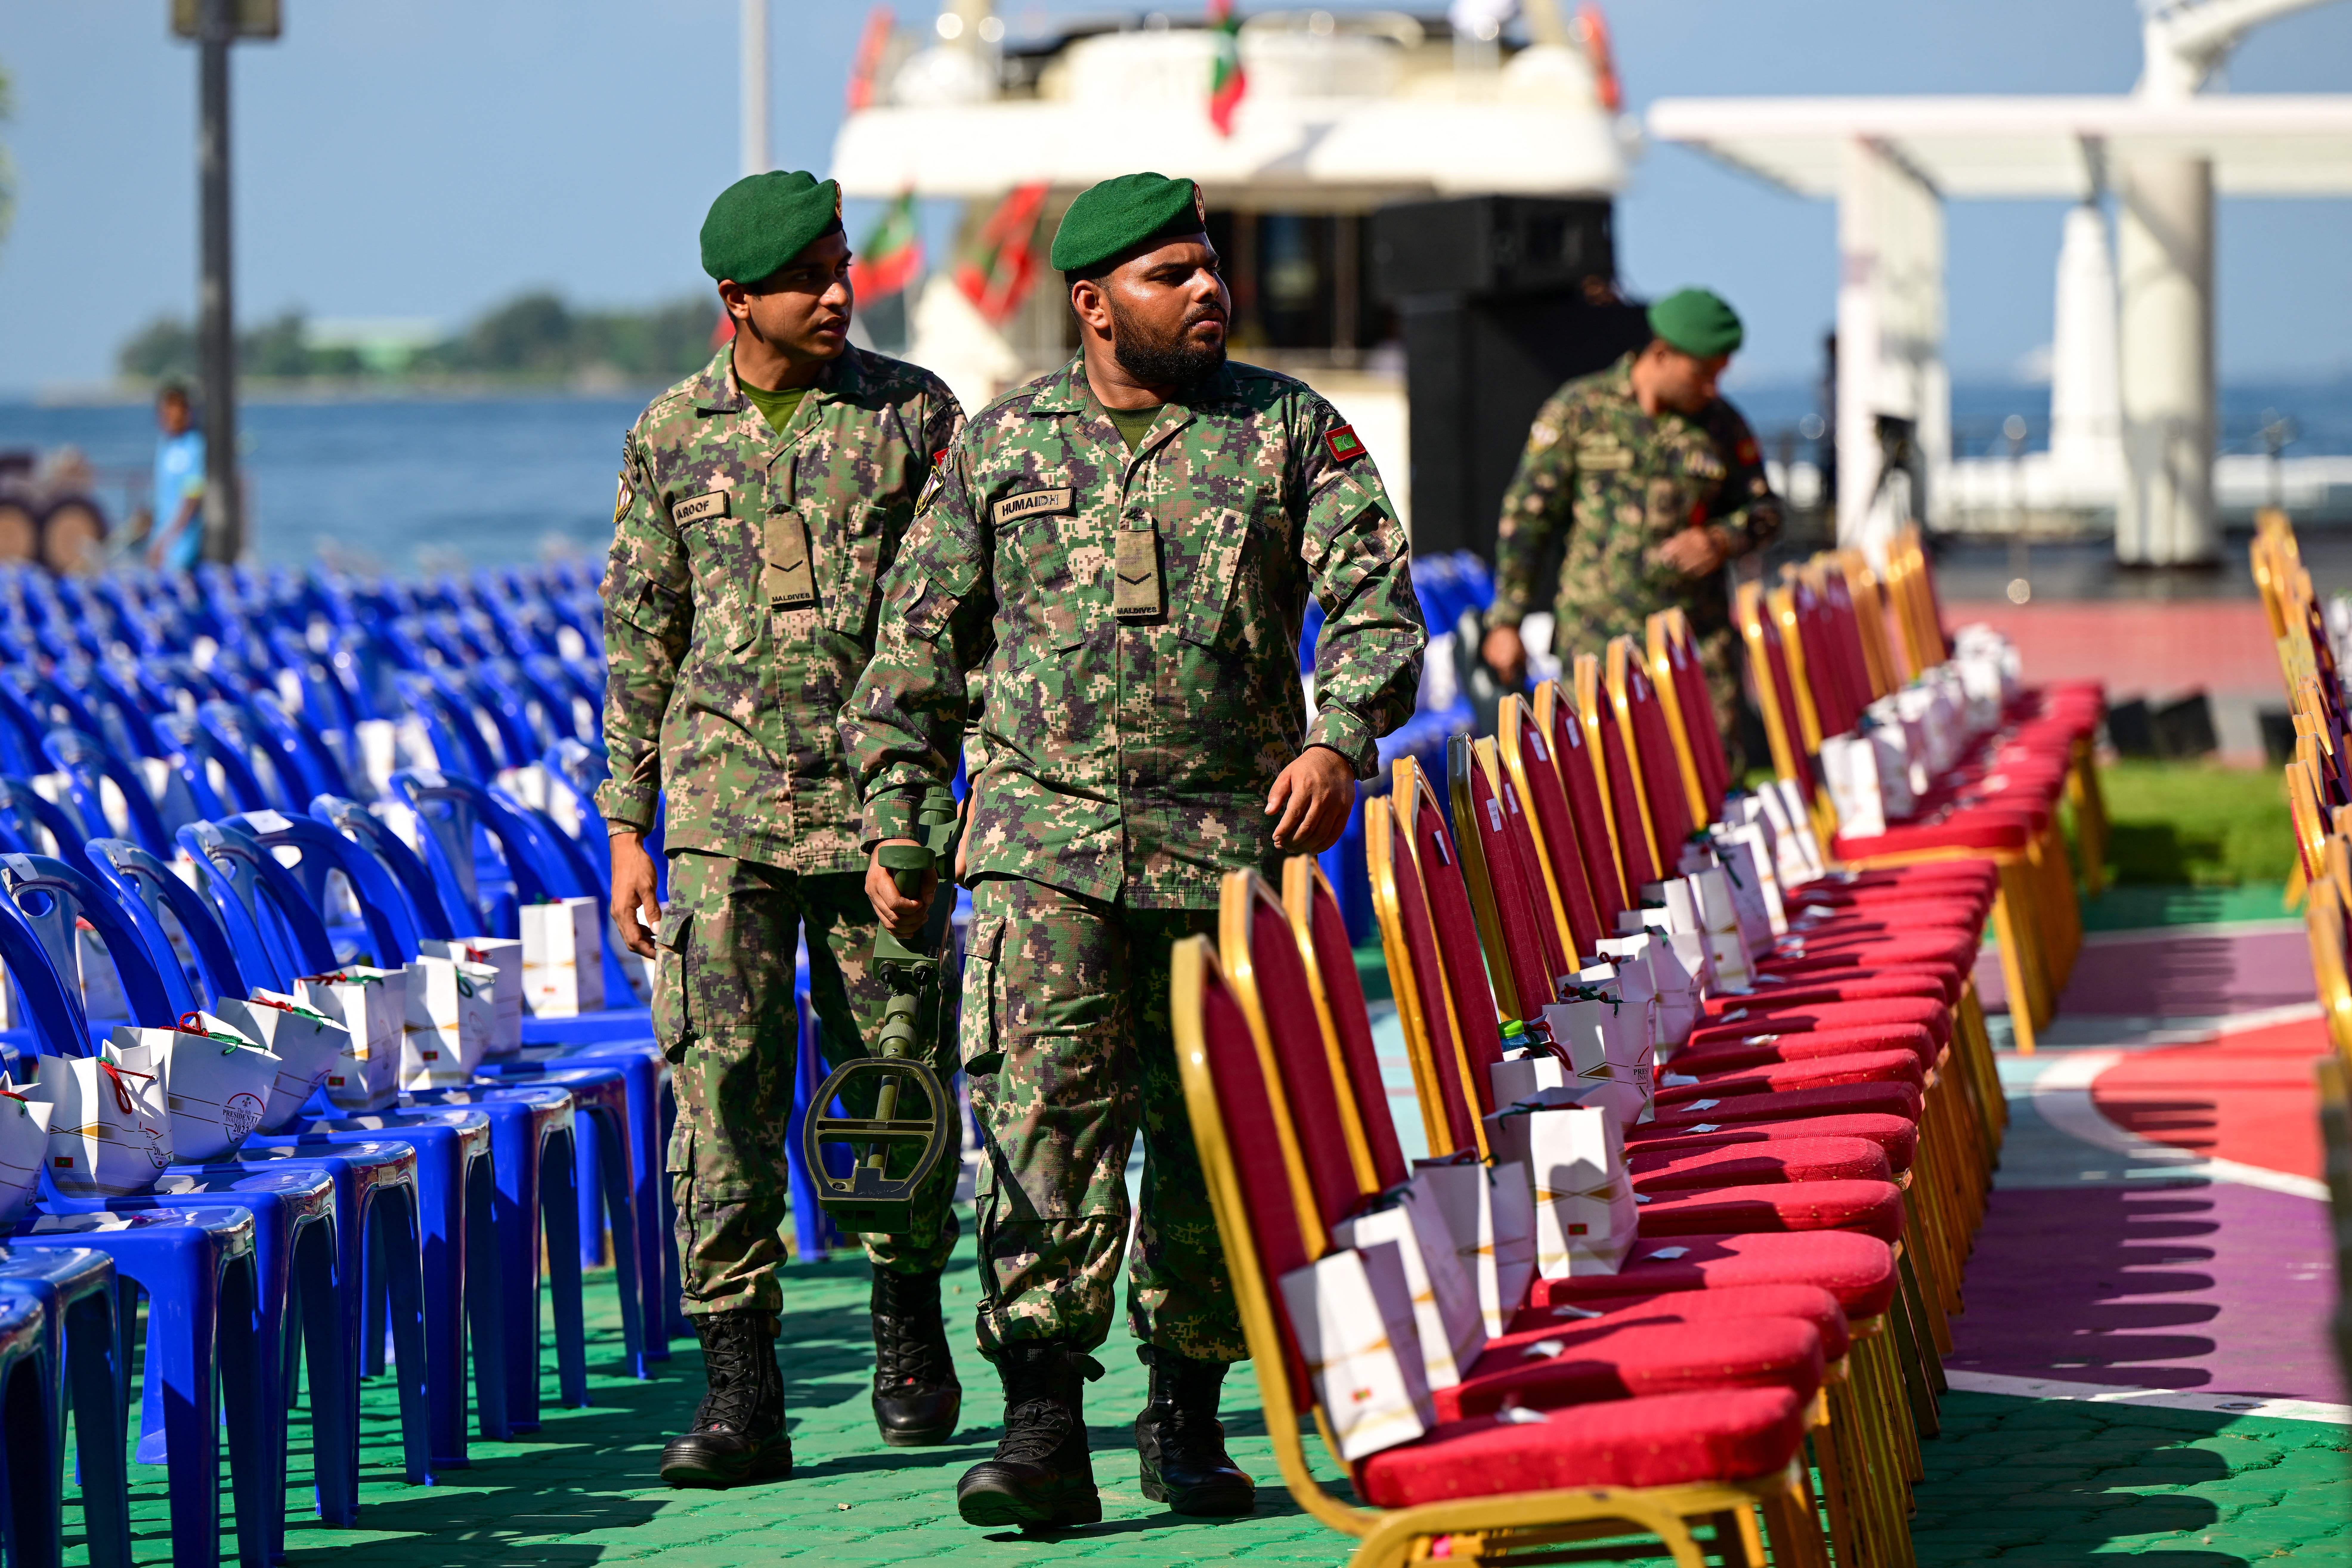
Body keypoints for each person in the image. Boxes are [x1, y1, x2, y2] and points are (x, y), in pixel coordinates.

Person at [842, 171, 1424, 1531]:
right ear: (1095, 305)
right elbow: (912, 649)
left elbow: (1377, 604)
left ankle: (1186, 1407)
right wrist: (899, 820)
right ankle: (1042, 1421)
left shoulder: (1288, 430)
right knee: (1039, 1126)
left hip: (1225, 848)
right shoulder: (1003, 446)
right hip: (1042, 851)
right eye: (1173, 274)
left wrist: (1337, 738)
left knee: (1212, 1136)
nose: (1209, 289)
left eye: (1209, 264)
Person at [598, 168, 965, 1489]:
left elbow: (959, 622)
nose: (834, 293)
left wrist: (926, 807)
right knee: (718, 1092)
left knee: (892, 1074)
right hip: (721, 812)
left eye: (839, 267)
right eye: (804, 278)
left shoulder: (914, 415)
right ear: (736, 299)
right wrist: (627, 821)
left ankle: (905, 1317)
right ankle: (741, 1386)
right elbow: (640, 632)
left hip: (877, 809)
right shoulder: (669, 434)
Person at [1479, 288, 1784, 768]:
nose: (1711, 389)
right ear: (1661, 354)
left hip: (1693, 644)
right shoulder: (1581, 409)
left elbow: (1766, 511)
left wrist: (1720, 539)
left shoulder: (1722, 426)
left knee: (1709, 775)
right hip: (1596, 642)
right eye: (1702, 374)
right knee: (1603, 781)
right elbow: (1528, 517)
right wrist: (1506, 621)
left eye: (1718, 376)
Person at [147, 382, 206, 572]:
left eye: (176, 410)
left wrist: (166, 541)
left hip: (181, 547)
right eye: (166, 411)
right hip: (160, 539)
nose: (170, 416)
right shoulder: (165, 445)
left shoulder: (195, 446)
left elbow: (192, 498)